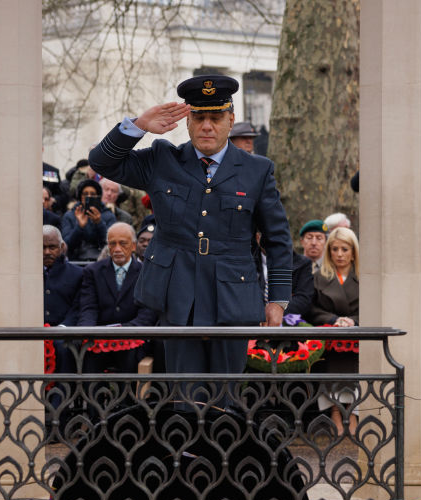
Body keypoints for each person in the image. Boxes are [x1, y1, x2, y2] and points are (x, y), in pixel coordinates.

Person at [88, 74, 292, 375]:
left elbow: (277, 239)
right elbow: (101, 162)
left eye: (216, 117)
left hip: (232, 298)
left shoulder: (256, 170)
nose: (206, 126)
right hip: (178, 293)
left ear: (231, 120)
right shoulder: (162, 159)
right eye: (198, 117)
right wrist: (138, 126)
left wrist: (278, 299)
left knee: (225, 400)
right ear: (188, 121)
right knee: (185, 397)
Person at [76, 223, 157, 373]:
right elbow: (89, 308)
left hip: (133, 337)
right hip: (100, 339)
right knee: (87, 358)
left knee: (130, 359)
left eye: (123, 243)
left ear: (133, 246)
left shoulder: (147, 273)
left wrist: (124, 331)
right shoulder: (93, 271)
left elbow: (148, 313)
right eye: (112, 244)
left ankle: (130, 397)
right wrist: (87, 332)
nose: (117, 249)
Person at [308, 226, 360, 433]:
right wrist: (334, 319)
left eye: (345, 249)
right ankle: (336, 412)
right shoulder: (319, 276)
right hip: (331, 336)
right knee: (333, 371)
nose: (339, 254)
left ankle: (354, 412)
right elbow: (311, 308)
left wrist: (353, 321)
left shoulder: (365, 276)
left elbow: (375, 306)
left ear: (353, 251)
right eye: (335, 249)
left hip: (358, 337)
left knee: (356, 372)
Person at [60, 179, 116, 262]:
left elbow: (111, 243)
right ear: (80, 197)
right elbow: (66, 245)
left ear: (98, 196)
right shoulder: (70, 215)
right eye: (85, 194)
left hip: (102, 261)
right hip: (75, 261)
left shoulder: (109, 215)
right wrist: (79, 227)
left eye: (93, 194)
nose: (89, 197)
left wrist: (99, 223)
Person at [43, 226, 83, 327]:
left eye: (52, 247)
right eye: (42, 247)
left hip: (65, 336)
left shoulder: (78, 274)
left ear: (62, 247)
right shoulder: (26, 276)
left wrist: (63, 328)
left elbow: (78, 307)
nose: (47, 252)